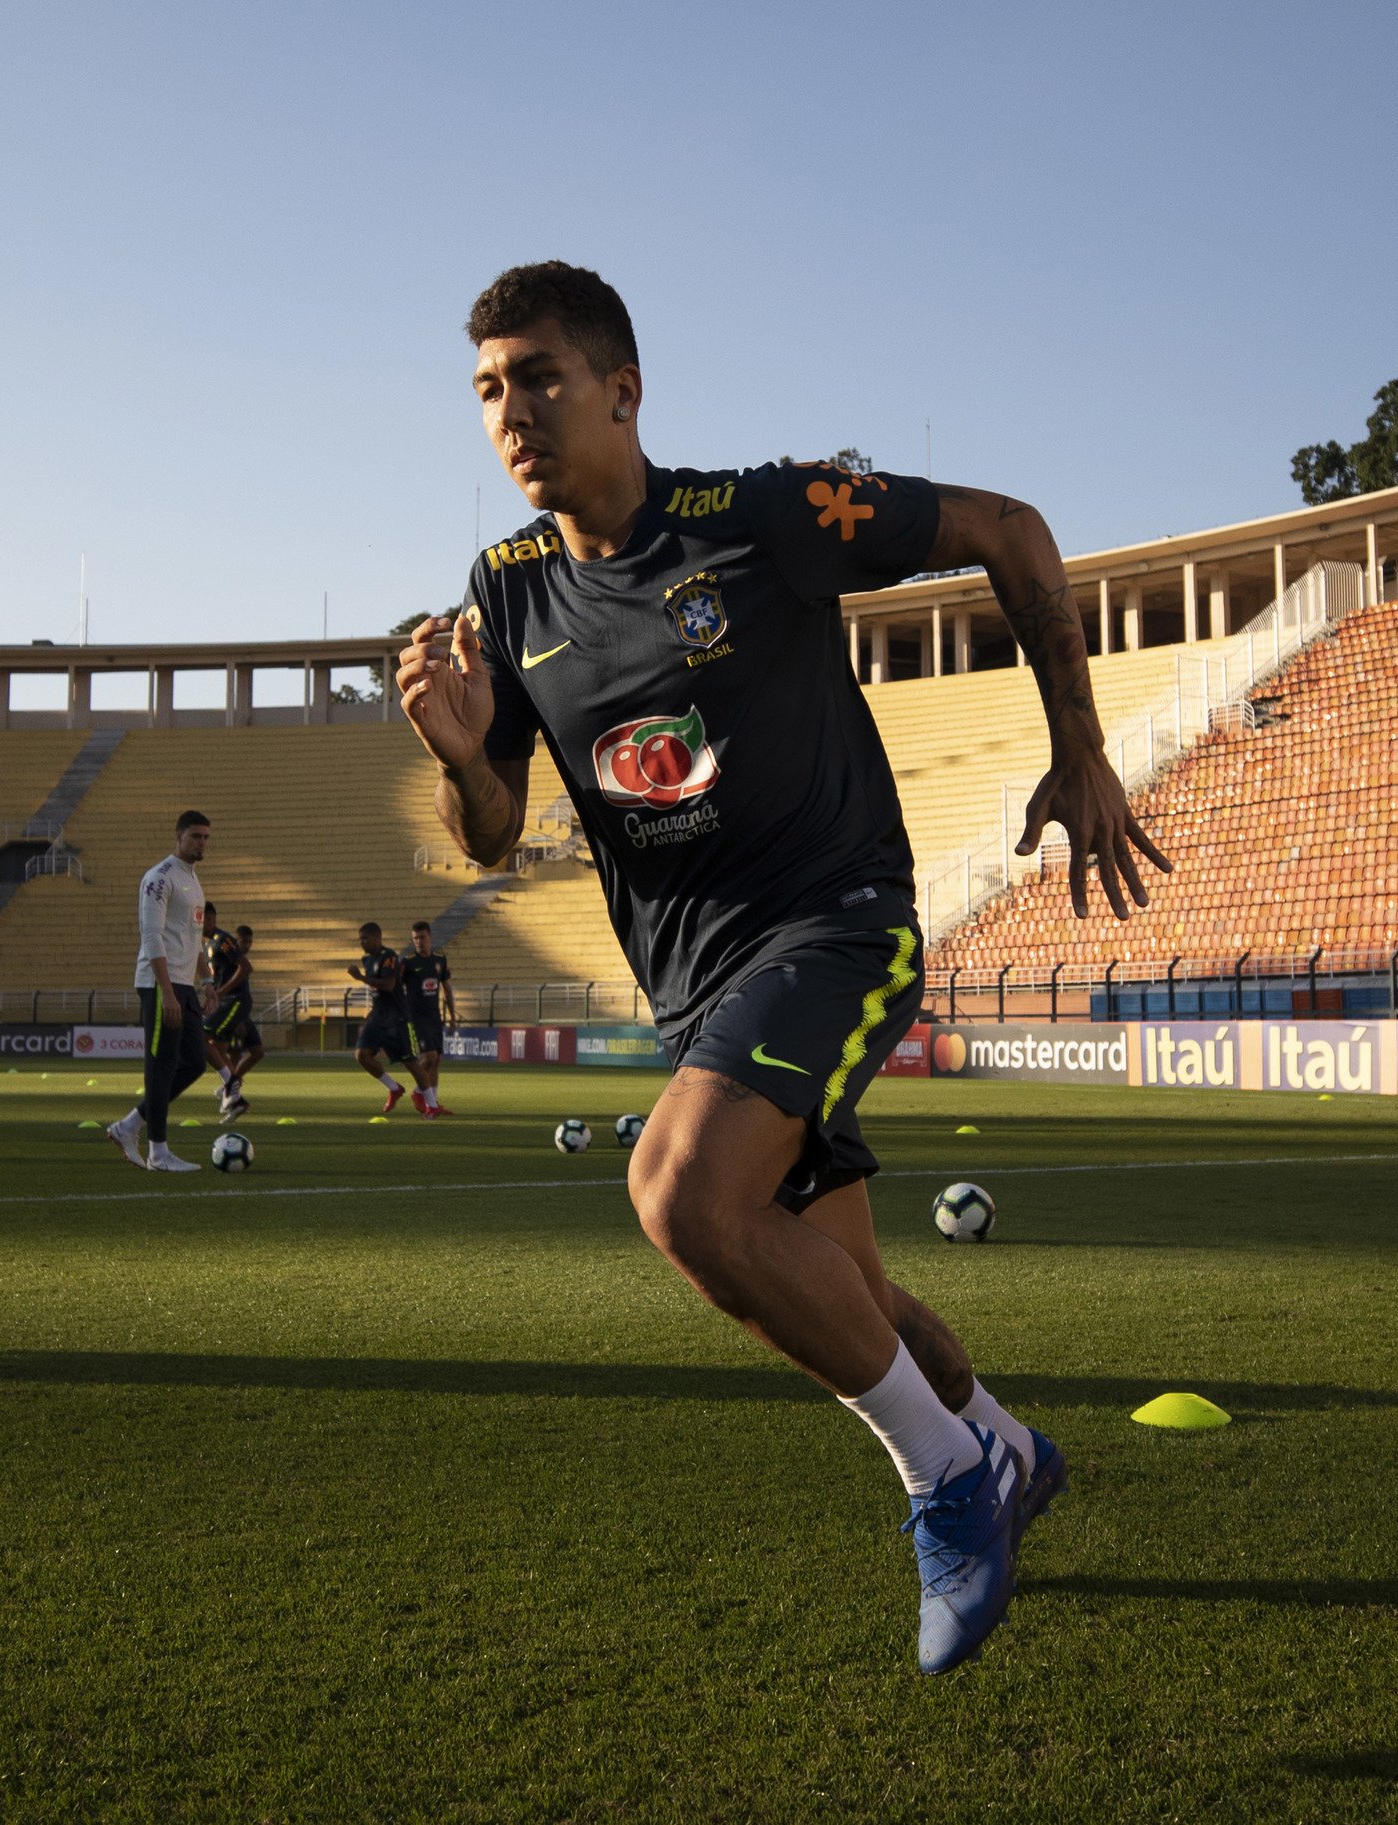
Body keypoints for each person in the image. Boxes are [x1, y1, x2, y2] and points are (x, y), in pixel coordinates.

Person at [398, 261, 1170, 1674]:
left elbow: (1010, 526)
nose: (512, 413)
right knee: (840, 1293)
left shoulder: (759, 517)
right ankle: (1002, 1444)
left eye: (542, 379)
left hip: (832, 923)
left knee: (681, 1193)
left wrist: (1083, 744)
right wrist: (460, 761)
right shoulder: (503, 594)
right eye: (489, 391)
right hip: (691, 978)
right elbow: (494, 834)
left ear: (624, 391)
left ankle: (949, 1481)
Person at [108, 811, 218, 1171]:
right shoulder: (159, 878)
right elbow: (152, 936)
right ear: (178, 836)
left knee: (195, 1063)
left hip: (185, 985)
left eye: (205, 837)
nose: (201, 842)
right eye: (195, 836)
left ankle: (129, 1126)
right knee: (161, 1067)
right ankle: (158, 1152)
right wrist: (167, 992)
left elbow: (194, 940)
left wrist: (207, 981)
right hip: (161, 985)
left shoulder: (193, 881)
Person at [348, 921, 432, 1116]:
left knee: (410, 1062)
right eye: (360, 939)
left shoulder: (390, 957)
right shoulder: (367, 960)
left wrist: (360, 978)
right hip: (378, 1016)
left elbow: (388, 985)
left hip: (397, 1017)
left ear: (377, 938)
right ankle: (394, 1088)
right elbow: (377, 991)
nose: (362, 943)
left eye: (365, 939)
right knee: (361, 1055)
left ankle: (431, 1105)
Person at [201, 904, 265, 1120]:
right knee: (217, 1048)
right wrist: (212, 997)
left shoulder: (222, 939)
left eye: (200, 918)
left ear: (210, 918)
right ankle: (233, 1096)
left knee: (201, 1037)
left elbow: (246, 968)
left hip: (234, 1001)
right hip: (225, 1002)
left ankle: (232, 1090)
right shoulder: (209, 943)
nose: (196, 923)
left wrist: (219, 994)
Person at [398, 921, 455, 1116]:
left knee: (436, 1060)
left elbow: (447, 988)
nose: (418, 942)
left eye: (421, 937)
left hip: (434, 1017)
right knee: (429, 1057)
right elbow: (396, 988)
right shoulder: (408, 962)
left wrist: (453, 1017)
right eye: (415, 939)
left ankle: (433, 1105)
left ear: (430, 936)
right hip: (416, 1018)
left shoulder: (440, 960)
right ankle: (418, 1092)